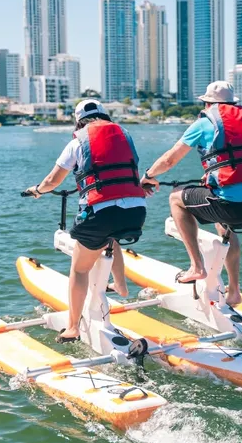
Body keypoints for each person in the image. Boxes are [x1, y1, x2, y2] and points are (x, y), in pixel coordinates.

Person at [140, 81, 242, 307]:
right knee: (225, 225)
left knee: (176, 197)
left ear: (207, 103)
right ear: (233, 103)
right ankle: (234, 291)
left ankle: (197, 267)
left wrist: (148, 176)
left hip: (231, 204)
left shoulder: (204, 122)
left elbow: (169, 160)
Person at [25, 100, 149, 342]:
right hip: (137, 211)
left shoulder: (77, 142)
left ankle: (72, 327)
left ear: (78, 121)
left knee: (80, 268)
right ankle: (121, 286)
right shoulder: (125, 135)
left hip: (100, 214)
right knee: (111, 236)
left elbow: (53, 180)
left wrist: (38, 190)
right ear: (105, 116)